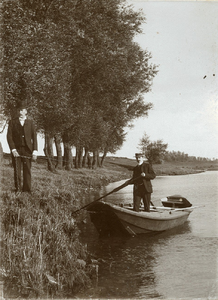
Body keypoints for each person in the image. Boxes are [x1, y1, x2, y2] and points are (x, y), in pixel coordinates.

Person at [7, 102, 38, 193]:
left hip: (28, 150)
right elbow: (9, 137)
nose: (20, 111)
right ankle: (18, 190)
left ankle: (27, 190)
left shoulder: (31, 123)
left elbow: (34, 137)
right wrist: (13, 149)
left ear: (26, 112)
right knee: (17, 170)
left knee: (27, 170)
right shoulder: (12, 122)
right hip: (16, 150)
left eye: (22, 110)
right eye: (19, 110)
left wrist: (35, 151)